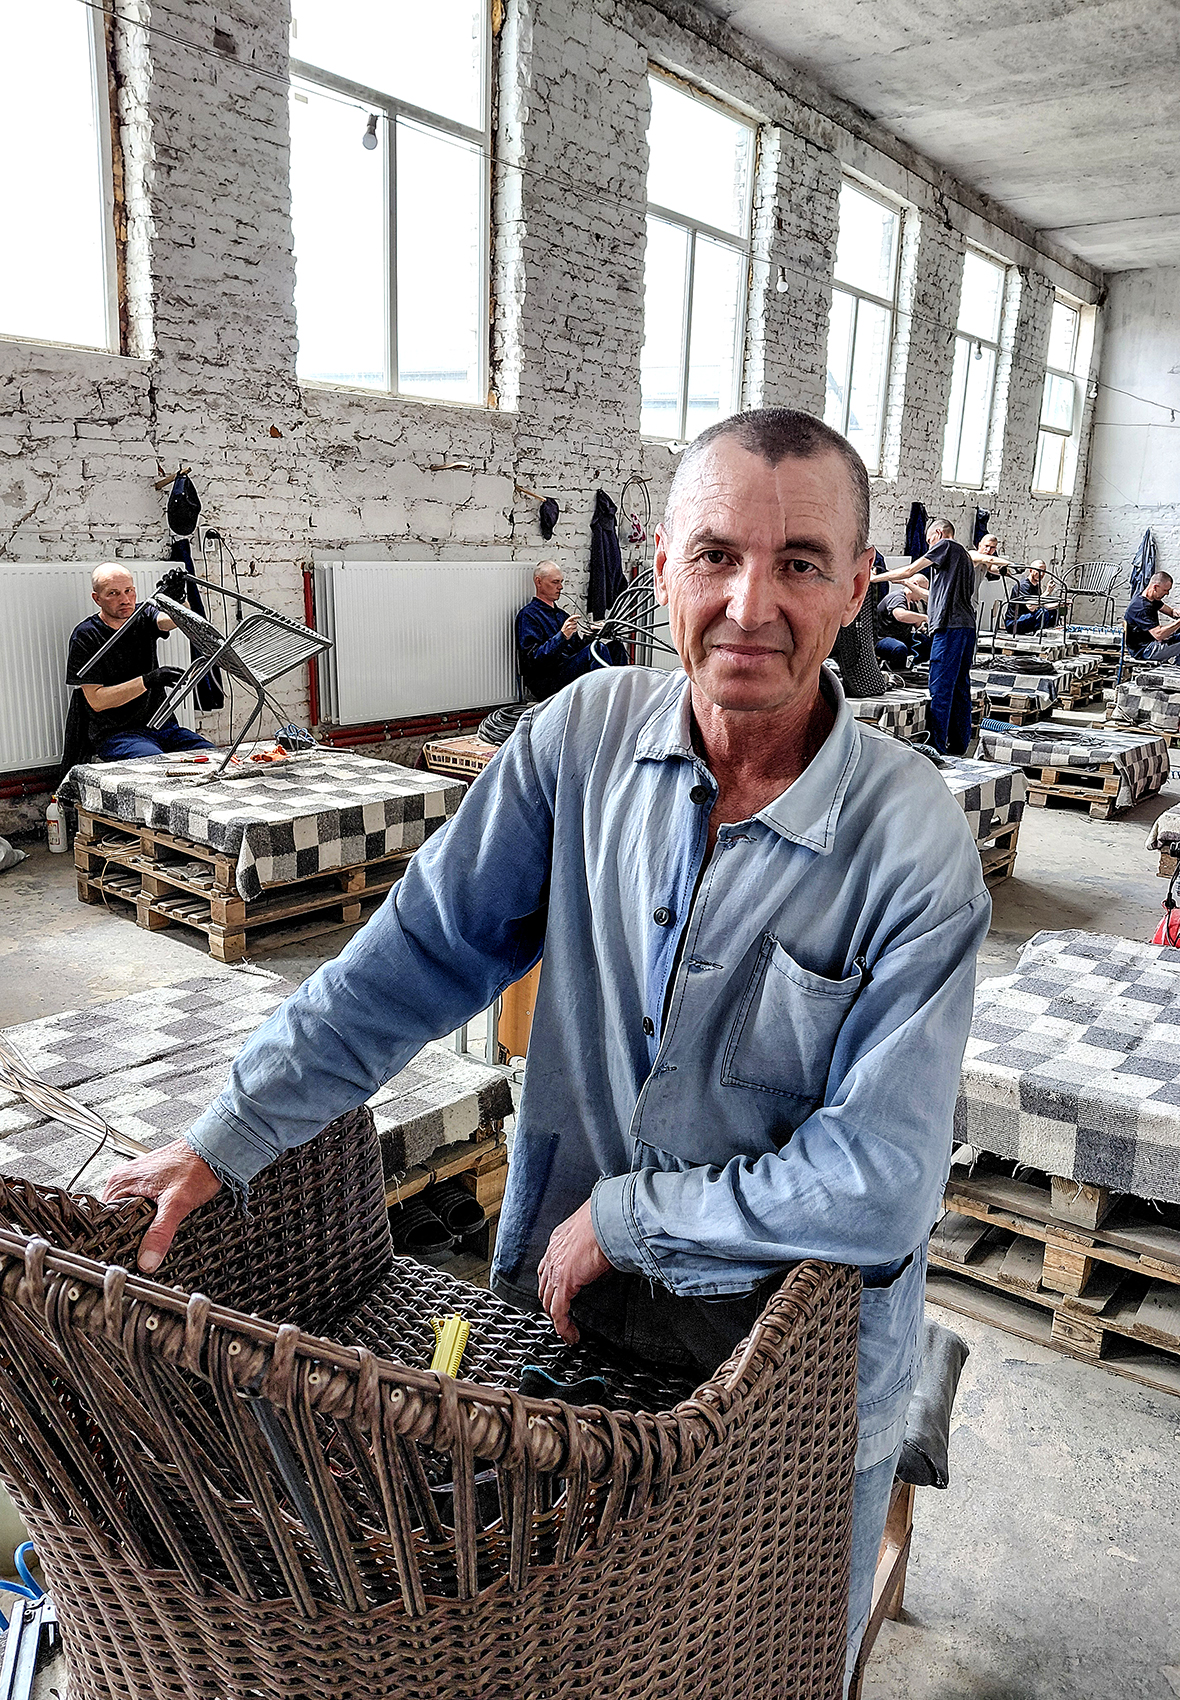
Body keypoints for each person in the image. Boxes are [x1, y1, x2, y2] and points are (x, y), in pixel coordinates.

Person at [102, 409, 991, 1690]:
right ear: (660, 568)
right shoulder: (577, 745)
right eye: (714, 554)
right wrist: (225, 1134)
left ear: (858, 583)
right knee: (568, 1648)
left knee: (764, 1664)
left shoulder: (909, 845)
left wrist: (627, 1216)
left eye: (800, 562)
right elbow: (406, 960)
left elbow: (877, 1179)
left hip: (791, 1393)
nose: (750, 602)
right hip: (570, 1323)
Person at [66, 566, 214, 760]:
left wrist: (179, 600)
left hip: (162, 726)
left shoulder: (142, 614)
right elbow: (97, 701)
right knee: (156, 765)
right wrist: (147, 681)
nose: (125, 600)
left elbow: (173, 621)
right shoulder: (86, 636)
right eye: (113, 593)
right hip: (117, 734)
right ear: (97, 599)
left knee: (212, 756)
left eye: (129, 591)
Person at [882, 519, 1002, 755]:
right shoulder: (963, 560)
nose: (930, 546)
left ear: (938, 533)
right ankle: (959, 745)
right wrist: (905, 583)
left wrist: (874, 578)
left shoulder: (945, 546)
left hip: (949, 629)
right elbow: (931, 594)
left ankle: (936, 747)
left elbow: (909, 569)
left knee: (940, 688)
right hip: (966, 628)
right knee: (959, 686)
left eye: (929, 541)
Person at [514, 561, 625, 700]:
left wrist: (593, 635)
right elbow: (533, 660)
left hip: (566, 670)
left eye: (561, 582)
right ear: (539, 582)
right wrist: (562, 637)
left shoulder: (562, 615)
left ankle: (620, 697)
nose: (560, 587)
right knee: (597, 650)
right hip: (547, 679)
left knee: (616, 647)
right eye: (555, 582)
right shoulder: (528, 615)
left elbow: (577, 650)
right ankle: (604, 702)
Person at [874, 574, 929, 671]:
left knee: (928, 643)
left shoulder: (912, 604)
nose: (922, 595)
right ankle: (896, 673)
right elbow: (900, 615)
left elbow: (917, 624)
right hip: (882, 638)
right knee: (899, 648)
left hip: (902, 637)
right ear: (915, 585)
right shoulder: (897, 597)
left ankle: (909, 666)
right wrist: (924, 617)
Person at [1125, 572, 1180, 662]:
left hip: (1151, 643)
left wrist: (1177, 613)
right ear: (1155, 587)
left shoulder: (1152, 599)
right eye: (1165, 590)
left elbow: (1171, 612)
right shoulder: (1140, 607)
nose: (1167, 593)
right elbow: (1159, 634)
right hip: (1144, 650)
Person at [1004, 560, 1061, 634]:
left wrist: (1060, 604)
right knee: (1043, 612)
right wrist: (1047, 592)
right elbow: (1031, 607)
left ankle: (1049, 632)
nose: (1042, 574)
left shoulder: (1037, 587)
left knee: (1053, 611)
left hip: (1027, 618)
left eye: (1044, 571)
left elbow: (1042, 605)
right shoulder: (1023, 586)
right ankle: (1039, 634)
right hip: (1014, 622)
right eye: (1038, 570)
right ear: (1031, 570)